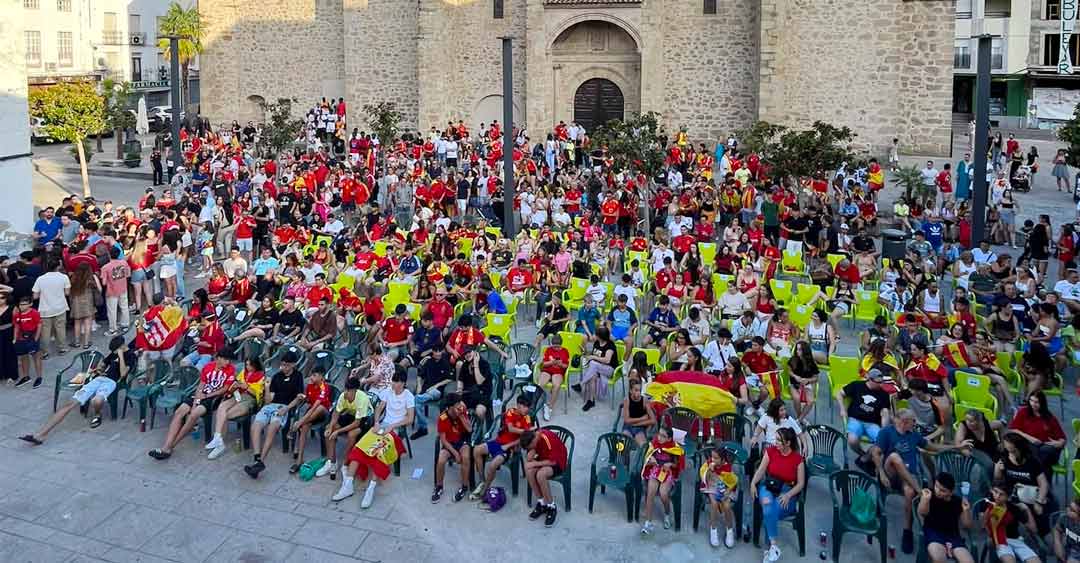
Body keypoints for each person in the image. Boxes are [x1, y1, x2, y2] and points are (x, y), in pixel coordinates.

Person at [873, 408, 966, 554]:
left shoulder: (914, 435)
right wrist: (881, 474)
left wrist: (956, 447)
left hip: (909, 476)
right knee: (895, 457)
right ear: (904, 422)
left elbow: (932, 447)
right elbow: (875, 453)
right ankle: (919, 490)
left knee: (909, 492)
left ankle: (907, 531)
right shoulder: (887, 432)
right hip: (890, 473)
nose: (915, 423)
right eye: (913, 421)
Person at [19, 335, 135, 444]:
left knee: (97, 400)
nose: (113, 353)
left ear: (121, 347)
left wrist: (120, 356)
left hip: (111, 382)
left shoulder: (130, 355)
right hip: (99, 379)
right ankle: (40, 434)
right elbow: (102, 364)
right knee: (69, 404)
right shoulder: (113, 354)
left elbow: (124, 373)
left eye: (115, 350)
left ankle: (97, 414)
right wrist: (99, 369)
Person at [332, 370, 414, 509]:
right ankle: (347, 485)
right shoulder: (388, 391)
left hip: (395, 429)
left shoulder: (408, 396)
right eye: (393, 381)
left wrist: (392, 426)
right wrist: (376, 422)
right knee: (361, 446)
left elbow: (410, 418)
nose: (393, 384)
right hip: (382, 425)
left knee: (379, 453)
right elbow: (379, 408)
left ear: (403, 383)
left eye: (396, 382)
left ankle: (371, 489)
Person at [148, 349, 237, 460]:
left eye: (229, 360)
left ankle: (169, 447)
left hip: (212, 398)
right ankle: (167, 445)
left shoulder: (231, 370)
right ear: (219, 358)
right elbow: (201, 384)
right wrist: (196, 400)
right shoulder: (208, 367)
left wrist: (206, 397)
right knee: (179, 411)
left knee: (193, 415)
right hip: (200, 395)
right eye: (226, 360)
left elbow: (224, 389)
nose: (228, 362)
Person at [243, 351, 306, 479]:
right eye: (282, 365)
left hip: (284, 407)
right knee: (256, 425)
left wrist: (287, 409)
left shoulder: (298, 376)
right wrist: (266, 387)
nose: (283, 368)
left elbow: (299, 398)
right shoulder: (277, 377)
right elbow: (268, 400)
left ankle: (261, 461)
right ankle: (257, 458)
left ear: (293, 365)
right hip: (270, 406)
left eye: (286, 365)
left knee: (273, 427)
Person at [749, 427, 806, 563]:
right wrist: (752, 483)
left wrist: (788, 495)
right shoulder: (771, 452)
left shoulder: (798, 459)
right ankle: (774, 546)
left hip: (787, 491)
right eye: (776, 439)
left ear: (788, 443)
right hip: (769, 486)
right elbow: (761, 470)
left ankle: (770, 549)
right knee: (769, 507)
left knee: (769, 511)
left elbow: (801, 484)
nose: (776, 443)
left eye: (779, 441)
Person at [470, 393, 533, 499]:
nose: (527, 409)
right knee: (476, 450)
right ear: (518, 405)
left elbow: (523, 439)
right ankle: (482, 480)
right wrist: (526, 431)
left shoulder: (527, 418)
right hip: (498, 442)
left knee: (492, 465)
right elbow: (511, 429)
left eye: (528, 407)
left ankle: (485, 489)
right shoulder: (510, 412)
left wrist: (509, 445)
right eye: (525, 406)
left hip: (510, 449)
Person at [994, 432, 1057, 537]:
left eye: (1013, 451)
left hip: (1030, 493)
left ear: (1020, 448)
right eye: (1008, 450)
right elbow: (998, 480)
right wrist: (997, 469)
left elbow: (1043, 484)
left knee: (1043, 509)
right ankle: (1012, 534)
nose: (1011, 454)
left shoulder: (1032, 461)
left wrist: (1039, 501)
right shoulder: (1004, 458)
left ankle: (1039, 536)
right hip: (1012, 494)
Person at [205, 357, 265, 460]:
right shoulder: (244, 372)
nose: (247, 367)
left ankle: (220, 444)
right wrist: (235, 385)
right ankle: (218, 438)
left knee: (225, 415)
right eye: (246, 364)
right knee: (222, 407)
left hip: (249, 399)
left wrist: (246, 387)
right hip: (238, 395)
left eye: (249, 365)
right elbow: (237, 382)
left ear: (255, 365)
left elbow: (258, 394)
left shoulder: (261, 376)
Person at [314, 377, 372, 479]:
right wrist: (331, 426)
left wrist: (339, 431)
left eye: (349, 390)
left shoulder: (362, 399)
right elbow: (336, 413)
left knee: (351, 434)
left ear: (355, 390)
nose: (346, 392)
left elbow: (356, 423)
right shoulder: (343, 395)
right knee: (329, 429)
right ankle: (331, 462)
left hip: (365, 419)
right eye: (345, 389)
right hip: (350, 414)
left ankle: (345, 464)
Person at [836, 368, 891, 462]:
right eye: (878, 382)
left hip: (872, 423)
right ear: (870, 379)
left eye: (882, 382)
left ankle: (865, 459)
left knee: (883, 441)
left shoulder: (884, 394)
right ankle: (864, 455)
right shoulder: (857, 385)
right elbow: (839, 393)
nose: (881, 385)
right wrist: (842, 409)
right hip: (855, 419)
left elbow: (885, 412)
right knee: (852, 440)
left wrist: (884, 428)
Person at [919, 472, 975, 563]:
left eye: (943, 490)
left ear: (951, 492)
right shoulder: (929, 494)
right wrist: (925, 500)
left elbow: (967, 525)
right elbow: (922, 513)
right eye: (936, 486)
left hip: (953, 536)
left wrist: (966, 510)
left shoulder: (957, 501)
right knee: (938, 558)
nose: (937, 491)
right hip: (933, 532)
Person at [639, 425, 685, 535]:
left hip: (667, 473)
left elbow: (678, 465)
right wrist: (651, 460)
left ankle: (667, 513)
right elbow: (646, 460)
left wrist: (670, 464)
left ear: (669, 439)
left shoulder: (675, 448)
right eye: (659, 434)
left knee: (663, 493)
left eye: (663, 436)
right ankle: (648, 522)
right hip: (655, 470)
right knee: (650, 492)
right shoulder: (654, 444)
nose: (659, 437)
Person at [288, 366, 333, 473]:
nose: (311, 377)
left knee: (319, 408)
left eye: (314, 375)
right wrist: (302, 397)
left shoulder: (324, 388)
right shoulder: (310, 386)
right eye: (311, 375)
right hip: (311, 415)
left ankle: (296, 426)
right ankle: (299, 461)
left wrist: (300, 421)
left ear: (322, 377)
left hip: (323, 413)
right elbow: (308, 400)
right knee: (304, 428)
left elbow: (315, 407)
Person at [984, 481, 1042, 563]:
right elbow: (985, 526)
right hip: (1001, 542)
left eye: (1001, 494)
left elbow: (1033, 529)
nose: (997, 496)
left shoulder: (1013, 509)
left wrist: (1027, 510)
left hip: (1016, 540)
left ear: (1007, 497)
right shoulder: (989, 505)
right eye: (996, 492)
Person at [1008, 390, 1066, 472]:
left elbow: (1062, 438)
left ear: (1042, 403)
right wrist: (1030, 438)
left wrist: (1059, 443)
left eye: (1036, 402)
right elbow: (1013, 430)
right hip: (1029, 446)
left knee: (1044, 451)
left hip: (1047, 448)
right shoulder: (1023, 412)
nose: (1033, 404)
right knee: (1032, 452)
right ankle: (1039, 478)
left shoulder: (1049, 417)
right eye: (1031, 401)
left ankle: (1034, 476)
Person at [522, 428, 569, 528]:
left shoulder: (547, 440)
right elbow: (530, 455)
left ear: (534, 440)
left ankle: (551, 506)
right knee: (529, 471)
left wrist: (534, 463)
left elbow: (553, 462)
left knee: (540, 475)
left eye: (529, 447)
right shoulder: (534, 436)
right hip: (544, 457)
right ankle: (542, 503)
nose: (529, 449)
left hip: (558, 462)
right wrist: (531, 453)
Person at [432, 393, 473, 504]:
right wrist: (455, 454)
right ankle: (439, 487)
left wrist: (461, 416)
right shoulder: (442, 418)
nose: (460, 406)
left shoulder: (462, 411)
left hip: (462, 440)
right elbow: (443, 440)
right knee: (440, 460)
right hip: (449, 443)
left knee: (465, 457)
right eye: (457, 405)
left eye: (460, 403)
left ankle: (464, 486)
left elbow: (469, 430)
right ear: (450, 407)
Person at [700, 446, 739, 548]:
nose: (713, 460)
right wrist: (709, 470)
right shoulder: (709, 464)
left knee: (726, 506)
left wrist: (728, 491)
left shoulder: (727, 468)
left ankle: (729, 530)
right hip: (712, 486)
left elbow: (733, 481)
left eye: (716, 458)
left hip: (725, 488)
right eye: (712, 457)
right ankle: (713, 529)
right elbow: (704, 477)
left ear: (723, 459)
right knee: (714, 504)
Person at [578, 325, 617, 412]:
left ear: (600, 336)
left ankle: (581, 384)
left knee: (593, 363)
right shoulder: (597, 343)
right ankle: (591, 401)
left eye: (595, 334)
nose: (594, 335)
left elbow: (607, 360)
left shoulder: (610, 346)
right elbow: (594, 354)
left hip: (609, 369)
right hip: (597, 368)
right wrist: (585, 352)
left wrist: (593, 358)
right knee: (593, 376)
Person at [536, 333, 569, 420]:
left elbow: (566, 366)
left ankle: (549, 407)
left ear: (561, 345)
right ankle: (534, 403)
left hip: (558, 371)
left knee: (556, 385)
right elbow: (544, 364)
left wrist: (561, 364)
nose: (556, 348)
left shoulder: (565, 351)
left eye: (558, 347)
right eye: (554, 346)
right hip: (547, 370)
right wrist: (552, 362)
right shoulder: (548, 350)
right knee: (540, 384)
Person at [13, 294, 43, 388]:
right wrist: (15, 338)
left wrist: (36, 338)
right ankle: (26, 376)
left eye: (24, 304)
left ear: (30, 304)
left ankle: (39, 377)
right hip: (21, 339)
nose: (22, 306)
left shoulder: (34, 313)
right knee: (23, 358)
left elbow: (39, 325)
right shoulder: (17, 315)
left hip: (32, 338)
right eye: (20, 304)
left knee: (36, 357)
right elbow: (16, 326)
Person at [620, 378, 656, 446]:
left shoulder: (644, 400)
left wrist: (637, 424)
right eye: (636, 390)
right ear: (631, 391)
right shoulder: (627, 400)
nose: (639, 393)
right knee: (622, 445)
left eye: (639, 390)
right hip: (627, 427)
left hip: (639, 428)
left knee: (643, 446)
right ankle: (625, 456)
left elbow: (653, 420)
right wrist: (642, 418)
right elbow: (627, 420)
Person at [1054, 497, 1080, 563]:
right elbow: (1057, 529)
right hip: (1070, 549)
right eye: (1069, 507)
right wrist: (1057, 543)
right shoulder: (1064, 517)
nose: (1067, 510)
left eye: (1072, 510)